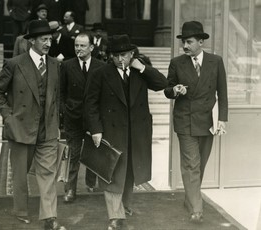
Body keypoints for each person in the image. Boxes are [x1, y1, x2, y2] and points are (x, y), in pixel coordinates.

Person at [84, 34, 168, 230]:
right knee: (112, 172)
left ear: (132, 54)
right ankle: (115, 216)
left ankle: (126, 205)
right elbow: (90, 104)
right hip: (111, 132)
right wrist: (95, 129)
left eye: (125, 55)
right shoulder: (100, 73)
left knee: (131, 170)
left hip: (137, 132)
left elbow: (162, 84)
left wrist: (143, 68)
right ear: (110, 56)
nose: (121, 60)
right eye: (116, 56)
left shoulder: (140, 71)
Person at [0, 20, 66, 230]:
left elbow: (58, 97)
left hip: (47, 129)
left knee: (48, 174)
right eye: (43, 39)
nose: (48, 43)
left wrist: (58, 122)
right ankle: (21, 210)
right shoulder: (14, 64)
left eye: (50, 39)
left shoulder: (55, 65)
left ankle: (49, 217)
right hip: (21, 128)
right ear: (32, 41)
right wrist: (8, 116)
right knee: (20, 174)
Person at [164, 21, 228, 223]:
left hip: (208, 122)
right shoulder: (177, 63)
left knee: (200, 163)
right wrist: (175, 90)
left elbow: (222, 93)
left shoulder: (215, 61)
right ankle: (197, 210)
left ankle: (190, 200)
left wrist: (223, 119)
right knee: (191, 165)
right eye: (183, 42)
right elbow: (167, 89)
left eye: (189, 42)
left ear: (201, 42)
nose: (185, 46)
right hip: (186, 121)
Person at [60, 32, 105, 203]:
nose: (78, 49)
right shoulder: (66, 66)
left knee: (96, 152)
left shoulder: (101, 66)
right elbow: (61, 93)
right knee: (73, 154)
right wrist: (65, 111)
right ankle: (70, 189)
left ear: (91, 48)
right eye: (76, 45)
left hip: (94, 118)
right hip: (73, 118)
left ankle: (93, 185)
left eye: (82, 46)